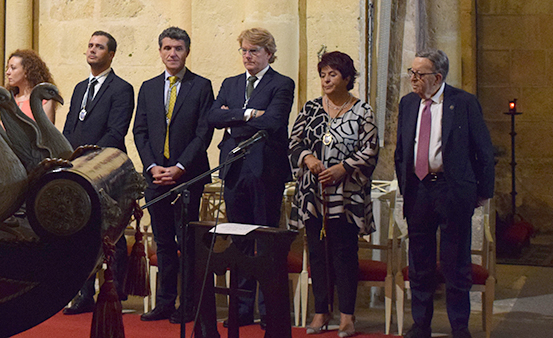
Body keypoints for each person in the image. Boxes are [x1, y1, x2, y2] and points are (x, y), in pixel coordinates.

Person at [394, 50, 495, 338]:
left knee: (455, 262)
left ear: (437, 77)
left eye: (419, 74)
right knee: (420, 261)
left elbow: (483, 151)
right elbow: (402, 149)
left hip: (451, 189)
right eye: (411, 72)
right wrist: (405, 185)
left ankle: (459, 327)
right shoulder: (408, 103)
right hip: (418, 190)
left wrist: (483, 192)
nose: (412, 79)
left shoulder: (463, 103)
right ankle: (421, 325)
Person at [207, 27, 295, 328]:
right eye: (244, 50)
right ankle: (241, 309)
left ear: (268, 53)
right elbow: (213, 117)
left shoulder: (282, 83)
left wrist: (236, 116)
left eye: (254, 51)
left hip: (265, 170)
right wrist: (248, 114)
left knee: (265, 240)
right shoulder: (231, 83)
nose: (248, 55)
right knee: (239, 241)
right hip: (234, 169)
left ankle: (270, 311)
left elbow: (273, 121)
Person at [288, 51, 378, 338]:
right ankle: (320, 311)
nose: (326, 80)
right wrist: (307, 159)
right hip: (314, 194)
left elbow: (371, 149)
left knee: (344, 254)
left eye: (333, 74)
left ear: (347, 78)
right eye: (323, 74)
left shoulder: (362, 110)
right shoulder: (311, 108)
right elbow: (294, 142)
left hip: (346, 196)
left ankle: (347, 316)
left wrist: (343, 168)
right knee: (317, 253)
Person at [132, 27, 215, 324]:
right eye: (167, 48)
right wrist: (152, 165)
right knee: (164, 242)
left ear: (187, 52)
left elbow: (204, 133)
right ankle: (165, 302)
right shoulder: (149, 87)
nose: (172, 53)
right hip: (155, 178)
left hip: (188, 178)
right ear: (160, 51)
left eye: (178, 48)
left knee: (187, 243)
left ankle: (188, 303)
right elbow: (139, 131)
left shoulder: (201, 86)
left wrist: (179, 167)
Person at [61, 31, 135, 315]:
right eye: (90, 45)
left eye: (99, 47)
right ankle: (83, 292)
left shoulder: (121, 88)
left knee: (109, 230)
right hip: (78, 167)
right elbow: (69, 127)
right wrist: (69, 155)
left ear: (111, 54)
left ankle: (114, 290)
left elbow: (116, 132)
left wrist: (90, 159)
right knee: (81, 229)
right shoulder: (81, 87)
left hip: (107, 168)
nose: (92, 50)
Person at [4, 49, 58, 124]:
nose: (8, 72)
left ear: (27, 71)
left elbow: (47, 133)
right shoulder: (9, 100)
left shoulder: (44, 101)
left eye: (13, 68)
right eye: (8, 68)